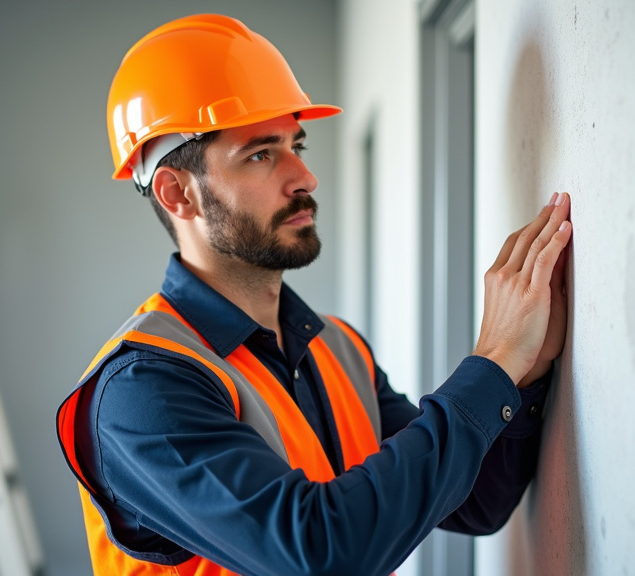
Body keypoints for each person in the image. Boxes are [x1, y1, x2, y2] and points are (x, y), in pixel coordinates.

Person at [56, 13, 572, 576]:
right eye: (260, 153)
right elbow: (319, 553)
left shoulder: (337, 348)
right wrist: (492, 363)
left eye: (294, 144)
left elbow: (476, 502)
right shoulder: (141, 391)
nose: (304, 175)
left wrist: (526, 371)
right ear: (177, 193)